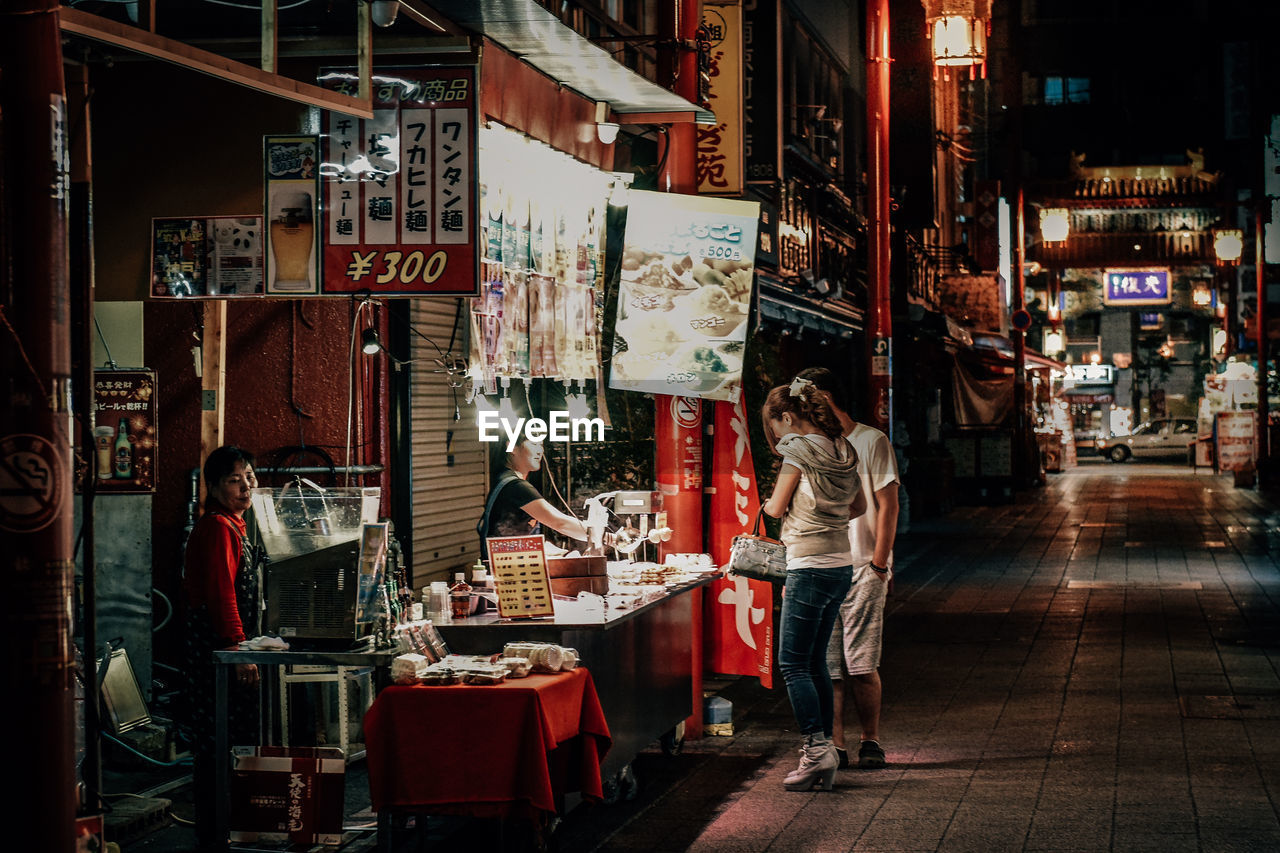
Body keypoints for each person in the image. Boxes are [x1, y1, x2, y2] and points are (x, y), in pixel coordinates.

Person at [760, 378, 864, 792]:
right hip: (841, 563)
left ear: (787, 417)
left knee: (792, 663)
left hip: (807, 564)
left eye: (776, 427)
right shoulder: (844, 447)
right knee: (815, 660)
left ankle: (815, 750)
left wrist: (774, 506)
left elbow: (776, 506)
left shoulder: (798, 450)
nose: (778, 436)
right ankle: (824, 752)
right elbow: (857, 505)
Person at [797, 366, 900, 770]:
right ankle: (835, 743)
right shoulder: (806, 446)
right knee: (827, 664)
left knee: (861, 663)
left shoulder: (870, 441)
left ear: (825, 397)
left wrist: (880, 563)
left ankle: (870, 739)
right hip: (819, 565)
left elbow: (888, 504)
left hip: (861, 565)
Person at [182, 445, 264, 851]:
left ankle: (229, 828)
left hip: (229, 648)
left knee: (232, 740)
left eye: (249, 477)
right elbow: (221, 594)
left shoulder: (235, 525)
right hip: (215, 653)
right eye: (234, 479)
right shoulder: (216, 528)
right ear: (213, 487)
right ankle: (215, 834)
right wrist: (237, 651)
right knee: (218, 741)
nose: (246, 486)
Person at [478, 438, 591, 558]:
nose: (540, 451)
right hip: (505, 569)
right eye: (534, 444)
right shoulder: (516, 487)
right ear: (512, 447)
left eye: (541, 445)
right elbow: (560, 523)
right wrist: (604, 536)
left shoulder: (505, 478)